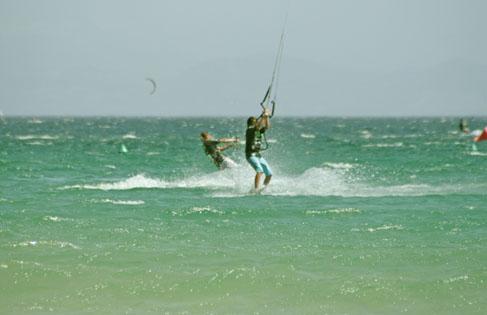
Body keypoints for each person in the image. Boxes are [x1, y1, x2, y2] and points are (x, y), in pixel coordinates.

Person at [246, 108, 273, 191]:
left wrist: (267, 117)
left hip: (258, 155)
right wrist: (263, 116)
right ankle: (256, 189)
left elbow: (267, 126)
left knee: (269, 173)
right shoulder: (250, 130)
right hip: (250, 155)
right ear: (253, 123)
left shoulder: (258, 130)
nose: (258, 122)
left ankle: (263, 188)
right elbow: (258, 126)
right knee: (260, 171)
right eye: (256, 122)